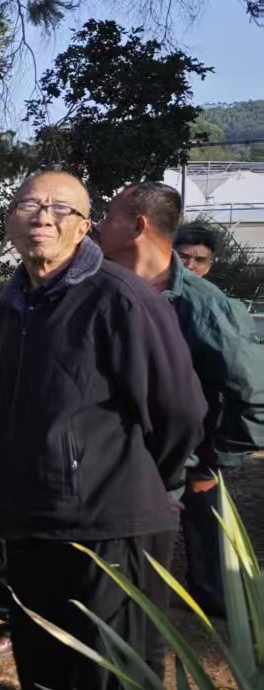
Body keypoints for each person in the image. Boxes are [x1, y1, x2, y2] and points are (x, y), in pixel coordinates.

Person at [0, 171, 203, 690]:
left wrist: (127, 478)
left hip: (111, 519)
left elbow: (179, 410)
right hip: (31, 515)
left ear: (84, 225)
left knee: (108, 669)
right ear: (11, 220)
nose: (41, 216)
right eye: (28, 203)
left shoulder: (119, 297)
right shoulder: (17, 298)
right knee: (45, 657)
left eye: (59, 207)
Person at [97, 183, 264, 614]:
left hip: (173, 468)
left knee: (150, 575)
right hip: (105, 464)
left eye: (109, 216)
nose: (99, 225)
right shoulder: (99, 288)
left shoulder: (205, 306)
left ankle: (208, 606)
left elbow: (254, 395)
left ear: (138, 226)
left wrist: (212, 462)